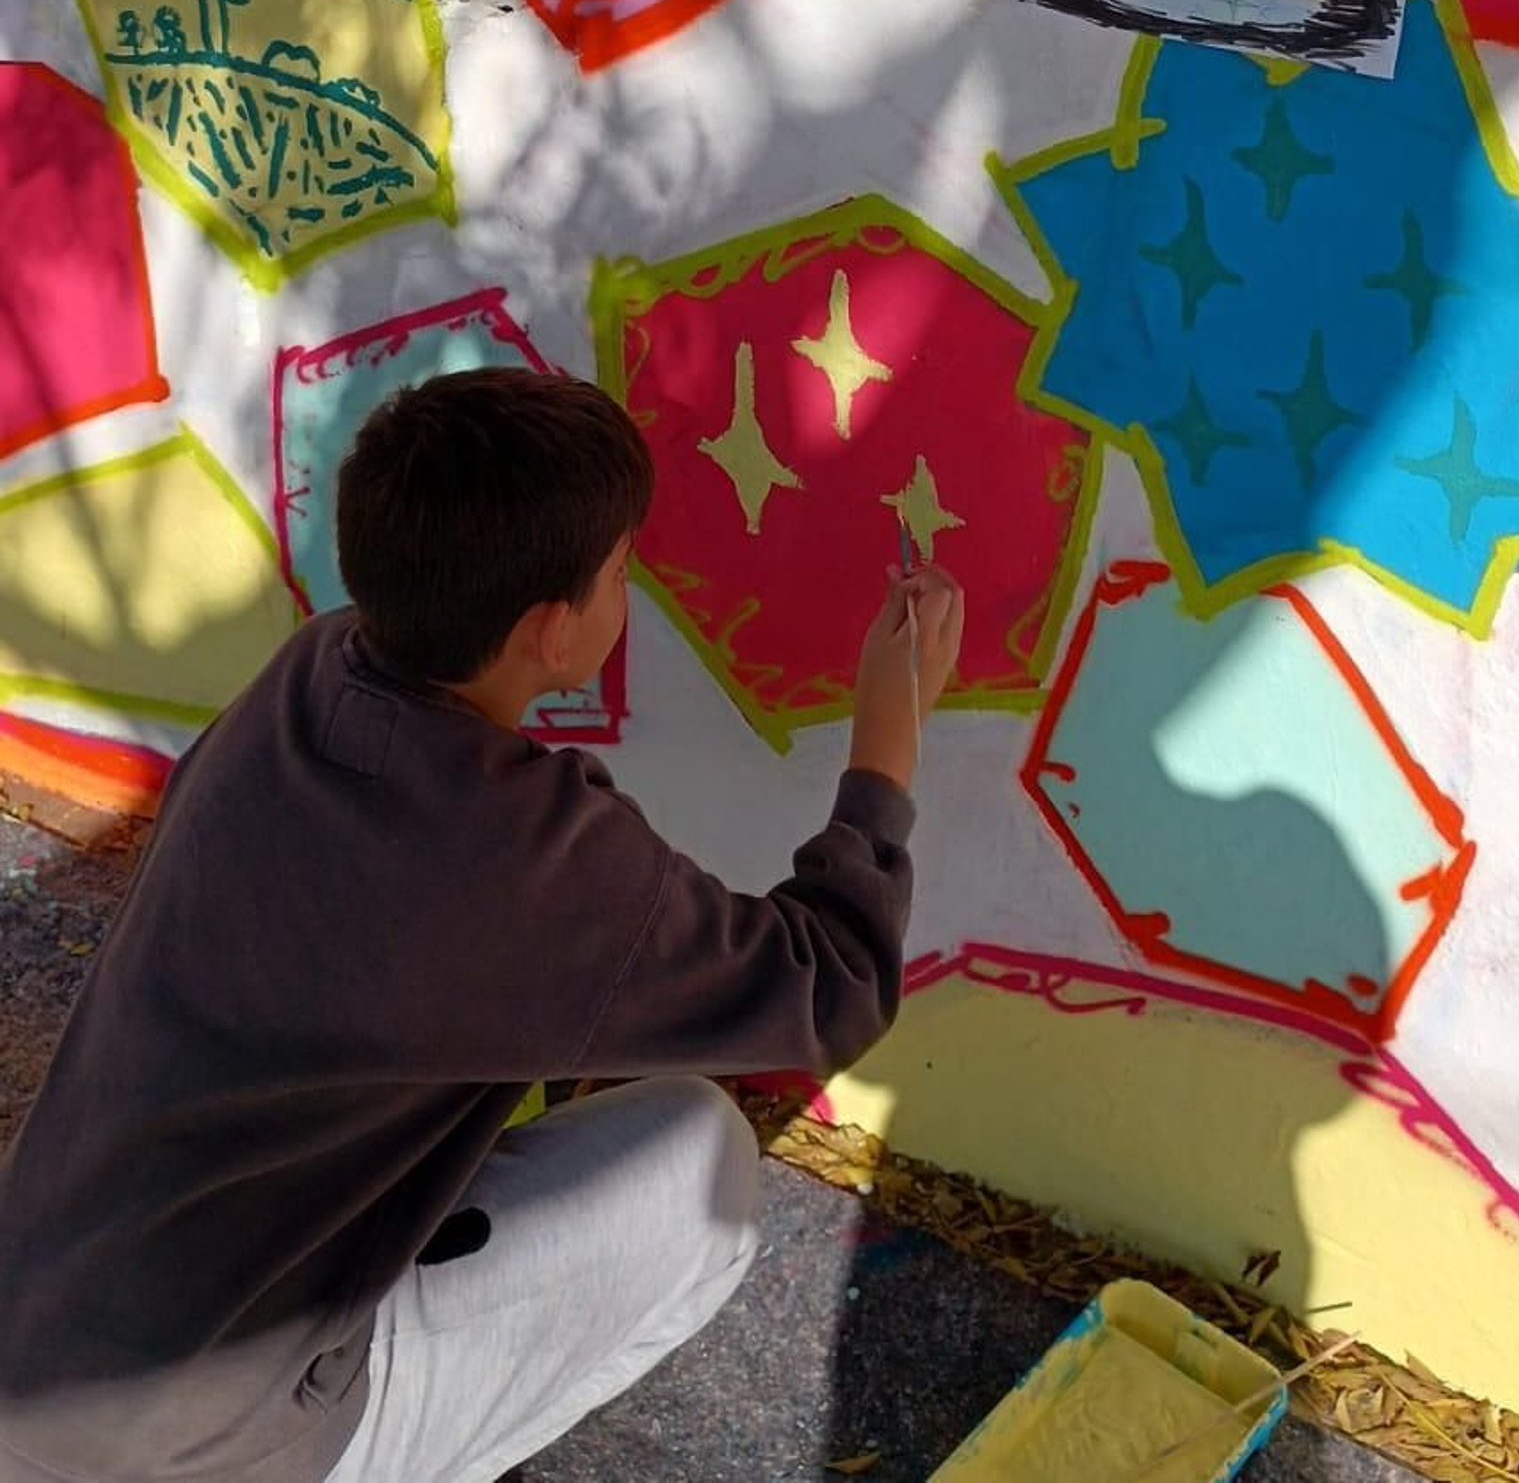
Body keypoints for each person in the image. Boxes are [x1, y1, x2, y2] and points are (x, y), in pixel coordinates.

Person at [0, 367, 964, 1483]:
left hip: (35, 1321)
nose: (631, 585)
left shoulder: (308, 673)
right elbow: (833, 987)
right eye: (620, 569)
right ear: (554, 631)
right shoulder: (520, 860)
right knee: (701, 1164)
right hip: (205, 1445)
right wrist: (887, 736)